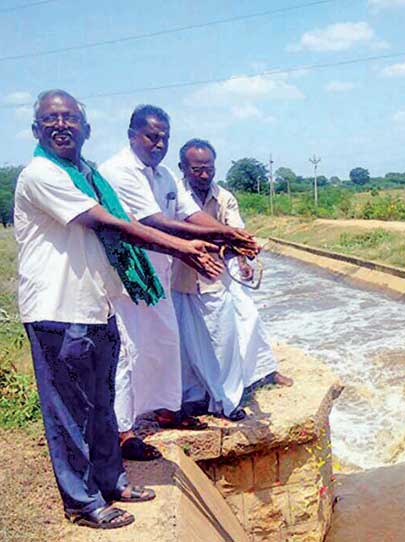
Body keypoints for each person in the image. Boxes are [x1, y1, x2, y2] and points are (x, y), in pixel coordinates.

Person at [15, 89, 223, 529]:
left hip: (97, 305)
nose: (62, 125)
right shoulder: (42, 174)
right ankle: (82, 501)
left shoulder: (86, 173)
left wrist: (191, 243)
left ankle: (111, 480)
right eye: (51, 119)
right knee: (68, 412)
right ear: (36, 130)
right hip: (57, 309)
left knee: (102, 405)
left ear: (86, 130)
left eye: (70, 118)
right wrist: (182, 246)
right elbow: (112, 224)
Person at [99, 105, 259, 460]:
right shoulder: (118, 171)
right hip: (126, 275)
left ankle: (166, 410)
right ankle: (124, 432)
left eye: (164, 138)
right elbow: (155, 222)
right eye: (151, 136)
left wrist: (228, 233)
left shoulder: (165, 175)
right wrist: (213, 236)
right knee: (129, 351)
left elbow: (190, 214)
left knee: (164, 342)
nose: (159, 144)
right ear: (132, 135)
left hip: (159, 274)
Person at [171, 139, 292, 421]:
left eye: (208, 169)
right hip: (181, 277)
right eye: (197, 169)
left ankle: (229, 400)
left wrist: (242, 256)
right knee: (186, 343)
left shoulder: (224, 197)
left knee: (225, 339)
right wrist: (225, 240)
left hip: (216, 277)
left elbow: (235, 232)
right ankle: (193, 397)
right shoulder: (173, 194)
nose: (203, 175)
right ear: (183, 168)